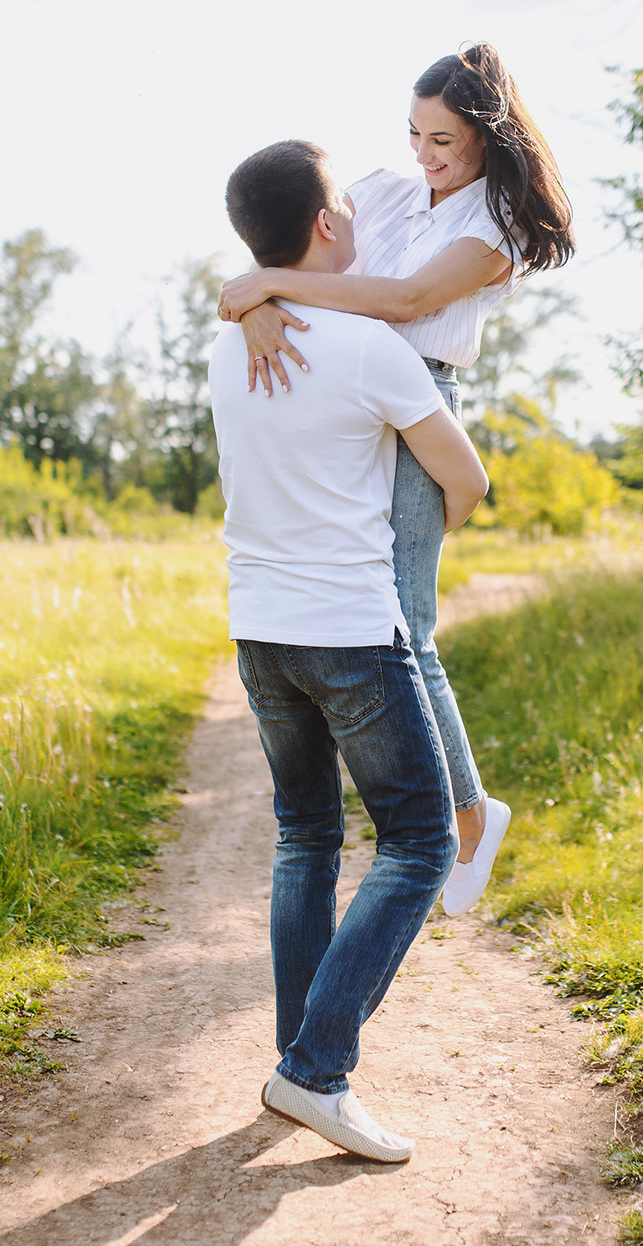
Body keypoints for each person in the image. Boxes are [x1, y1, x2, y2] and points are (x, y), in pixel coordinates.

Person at [216, 44, 575, 917]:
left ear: (487, 135)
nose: (425, 155)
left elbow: (408, 301)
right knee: (348, 598)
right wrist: (260, 301)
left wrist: (265, 286)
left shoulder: (497, 228)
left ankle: (467, 813)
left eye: (443, 140)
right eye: (415, 134)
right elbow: (293, 241)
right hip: (341, 389)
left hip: (417, 397)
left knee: (406, 620)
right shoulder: (382, 188)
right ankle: (417, 805)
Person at [210, 139, 490, 1163]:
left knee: (306, 838)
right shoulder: (373, 349)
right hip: (349, 631)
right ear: (328, 224)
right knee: (419, 843)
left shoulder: (232, 343)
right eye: (350, 207)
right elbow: (467, 481)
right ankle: (316, 1068)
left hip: (258, 628)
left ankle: (299, 1062)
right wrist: (403, 540)